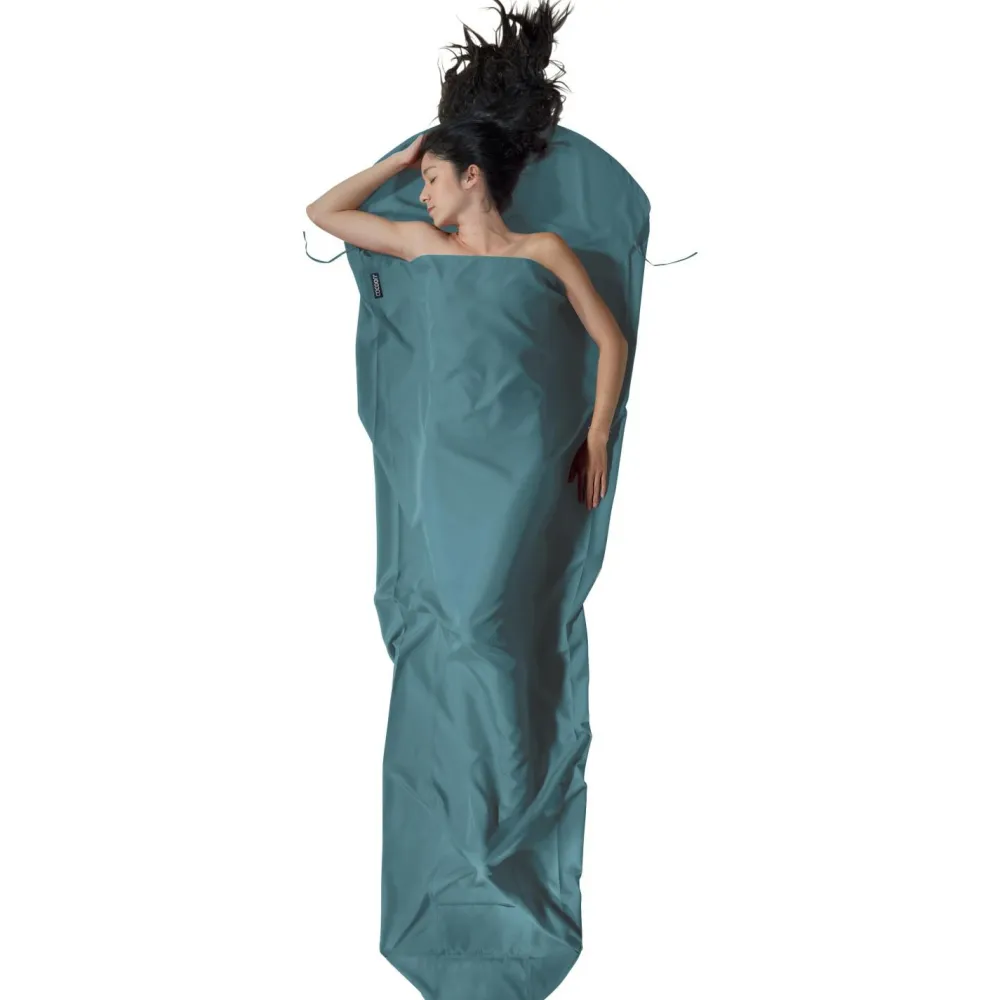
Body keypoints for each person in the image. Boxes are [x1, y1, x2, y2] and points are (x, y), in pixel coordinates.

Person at [306, 0, 627, 510]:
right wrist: (399, 162)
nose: (422, 195)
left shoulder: (543, 250)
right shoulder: (424, 244)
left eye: (431, 179)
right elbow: (323, 212)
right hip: (442, 449)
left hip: (525, 446)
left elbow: (610, 339)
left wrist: (598, 435)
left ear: (472, 175)